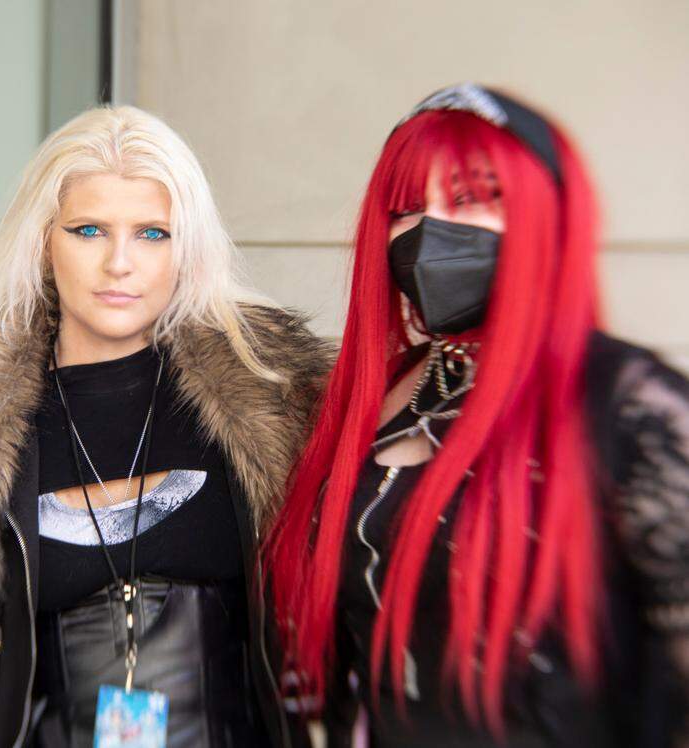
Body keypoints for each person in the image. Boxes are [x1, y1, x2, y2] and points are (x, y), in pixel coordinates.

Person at [0, 105, 332, 747]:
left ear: (187, 249)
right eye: (89, 230)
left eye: (152, 234)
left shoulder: (286, 401)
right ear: (43, 241)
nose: (120, 264)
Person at [265, 83, 689, 747]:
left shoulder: (630, 406)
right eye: (406, 209)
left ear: (543, 215)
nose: (431, 231)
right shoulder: (378, 400)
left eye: (469, 199)